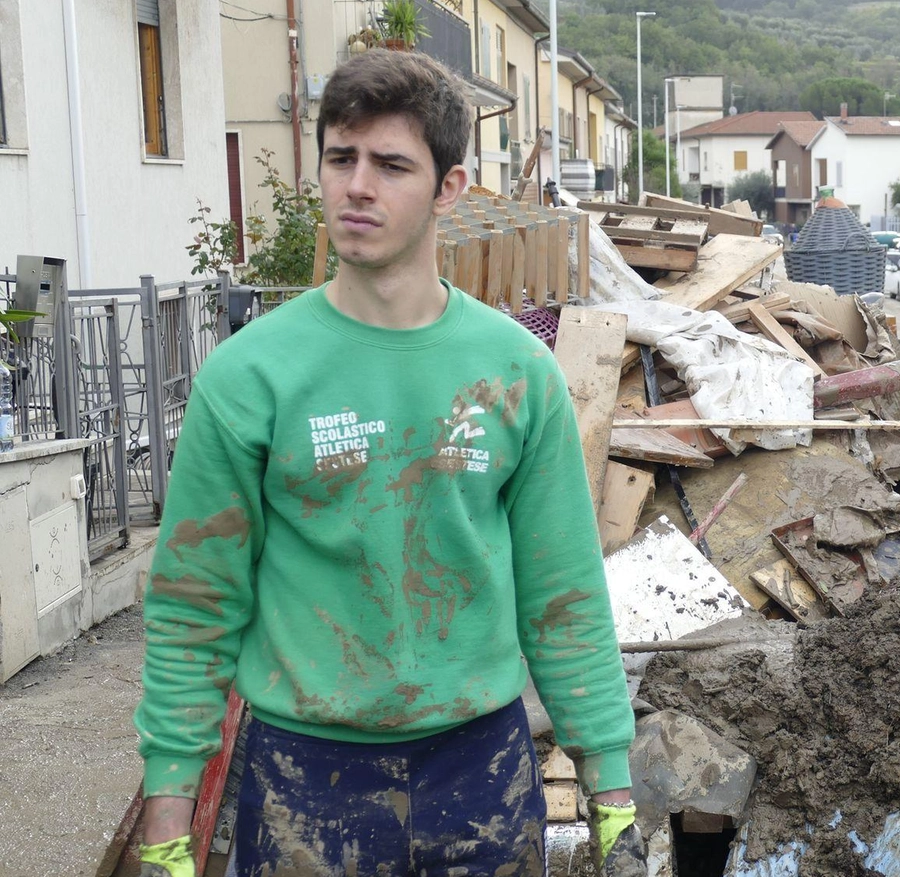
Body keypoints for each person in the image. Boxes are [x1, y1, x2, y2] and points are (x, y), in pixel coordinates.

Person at [133, 49, 641, 877]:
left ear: (450, 188)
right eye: (341, 158)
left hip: (482, 779)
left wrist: (612, 794)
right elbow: (195, 606)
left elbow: (565, 597)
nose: (356, 186)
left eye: (391, 164)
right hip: (304, 784)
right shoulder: (250, 376)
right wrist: (166, 824)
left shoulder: (517, 374)